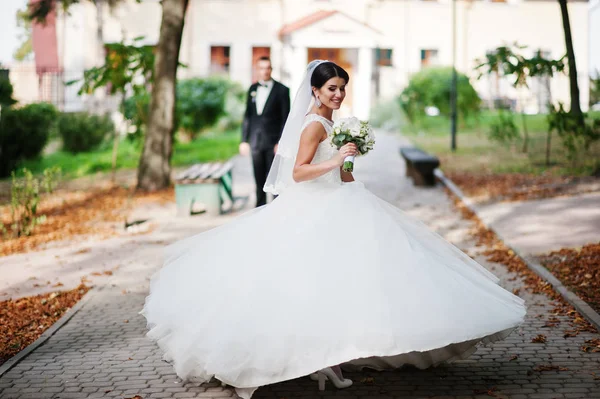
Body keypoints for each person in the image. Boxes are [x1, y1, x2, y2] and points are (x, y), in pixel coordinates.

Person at [141, 60, 526, 399]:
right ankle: (324, 359)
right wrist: (335, 160)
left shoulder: (333, 123)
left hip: (343, 202)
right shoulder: (312, 124)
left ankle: (334, 357)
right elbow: (298, 172)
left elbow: (342, 175)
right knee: (313, 284)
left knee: (348, 282)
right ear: (315, 90)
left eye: (343, 88)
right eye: (332, 88)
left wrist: (349, 162)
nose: (339, 94)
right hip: (312, 208)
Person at [240, 56, 290, 207]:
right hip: (256, 141)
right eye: (262, 68)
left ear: (271, 69)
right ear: (257, 70)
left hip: (273, 142)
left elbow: (286, 119)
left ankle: (276, 210)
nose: (265, 71)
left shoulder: (282, 90)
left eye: (268, 68)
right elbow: (248, 116)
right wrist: (244, 140)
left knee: (274, 179)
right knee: (258, 178)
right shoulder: (252, 89)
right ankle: (259, 209)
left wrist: (281, 142)